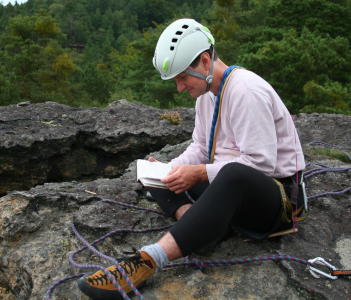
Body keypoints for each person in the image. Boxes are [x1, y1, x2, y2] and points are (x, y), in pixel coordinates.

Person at [77, 18, 306, 300]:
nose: (179, 88)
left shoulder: (245, 91)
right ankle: (199, 227)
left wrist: (197, 174)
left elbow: (261, 164)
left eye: (183, 78)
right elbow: (200, 146)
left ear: (206, 61)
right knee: (156, 172)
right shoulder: (206, 96)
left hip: (275, 199)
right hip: (231, 189)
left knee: (231, 174)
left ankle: (149, 260)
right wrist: (170, 170)